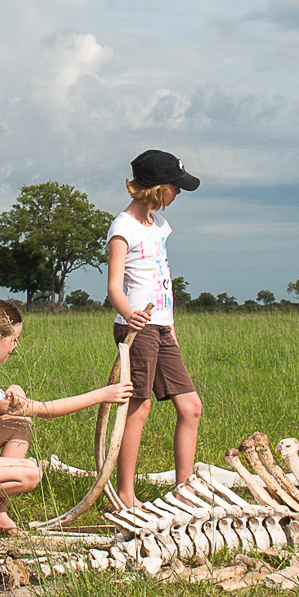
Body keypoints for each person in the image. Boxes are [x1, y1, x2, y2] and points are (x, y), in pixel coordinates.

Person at [0, 297, 132, 534]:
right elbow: (44, 410)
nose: (15, 346)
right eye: (14, 340)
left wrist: (14, 387)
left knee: (19, 424)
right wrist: (101, 395)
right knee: (30, 474)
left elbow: (10, 409)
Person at [105, 149, 203, 508]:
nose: (177, 194)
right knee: (139, 406)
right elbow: (114, 285)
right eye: (174, 187)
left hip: (162, 327)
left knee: (191, 407)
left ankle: (185, 489)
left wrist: (171, 324)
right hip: (137, 328)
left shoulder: (160, 226)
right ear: (157, 188)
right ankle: (126, 494)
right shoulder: (123, 227)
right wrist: (129, 313)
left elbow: (163, 278)